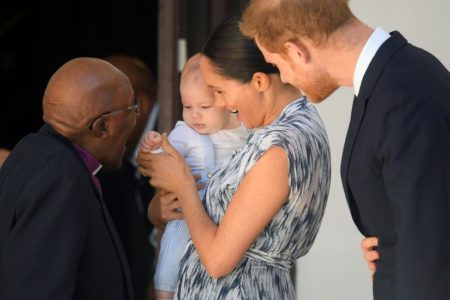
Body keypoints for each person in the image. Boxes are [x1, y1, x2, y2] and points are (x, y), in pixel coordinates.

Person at [240, 1, 450, 299]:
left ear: (298, 51)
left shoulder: (400, 98)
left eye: (277, 65)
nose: (284, 78)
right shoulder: (394, 74)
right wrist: (390, 241)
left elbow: (430, 252)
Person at [138, 16, 331, 299]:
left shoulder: (281, 147)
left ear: (259, 81)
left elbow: (218, 261)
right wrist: (164, 205)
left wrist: (183, 186)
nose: (222, 104)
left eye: (220, 91)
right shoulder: (282, 126)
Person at [0, 57, 138, 300]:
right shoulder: (60, 177)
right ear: (102, 127)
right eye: (132, 107)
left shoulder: (32, 152)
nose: (137, 117)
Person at [140, 53, 248, 300]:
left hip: (227, 217)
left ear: (226, 101)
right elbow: (163, 158)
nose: (195, 115)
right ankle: (165, 293)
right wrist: (154, 146)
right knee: (172, 248)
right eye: (187, 107)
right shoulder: (185, 133)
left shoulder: (245, 132)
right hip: (187, 212)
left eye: (204, 107)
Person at [97, 54, 158, 300]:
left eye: (103, 110)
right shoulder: (126, 154)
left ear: (138, 104)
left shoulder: (172, 137)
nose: (97, 123)